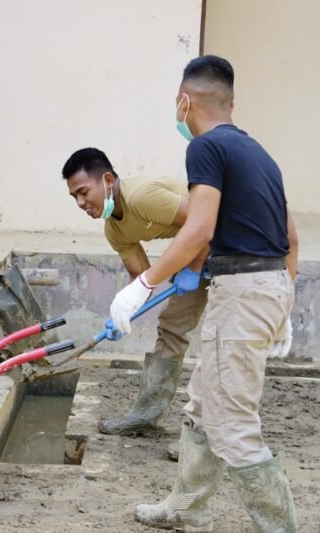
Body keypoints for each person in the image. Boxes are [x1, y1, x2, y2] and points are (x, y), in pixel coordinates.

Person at [111, 56, 299, 532]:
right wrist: (284, 303)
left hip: (242, 293)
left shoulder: (206, 148)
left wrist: (143, 285)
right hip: (265, 284)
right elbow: (291, 237)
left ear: (184, 100)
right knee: (201, 403)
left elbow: (198, 230)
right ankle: (187, 507)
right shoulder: (259, 154)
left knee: (234, 423)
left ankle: (279, 528)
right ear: (230, 102)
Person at [62, 148, 209, 437]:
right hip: (200, 250)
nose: (81, 203)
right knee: (171, 327)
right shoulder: (114, 229)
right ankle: (145, 417)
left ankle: (208, 438)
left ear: (106, 179)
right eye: (74, 197)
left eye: (83, 192)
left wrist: (193, 267)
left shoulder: (141, 197)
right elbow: (140, 277)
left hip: (232, 244)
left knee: (223, 335)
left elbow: (205, 222)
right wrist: (122, 313)